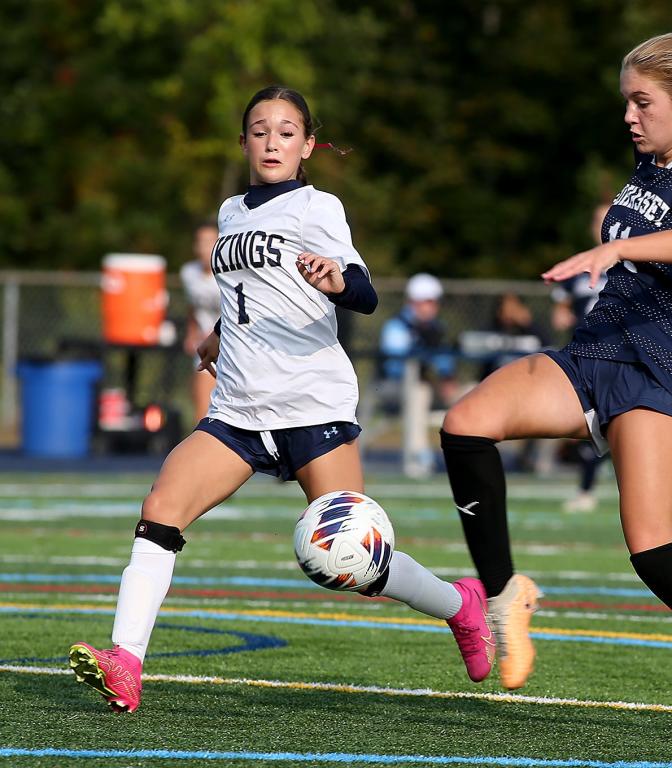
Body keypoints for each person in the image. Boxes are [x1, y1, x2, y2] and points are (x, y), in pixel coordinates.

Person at [68, 86, 494, 714]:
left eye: (287, 132)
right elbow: (247, 294)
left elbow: (367, 293)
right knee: (160, 511)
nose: (272, 142)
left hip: (311, 407)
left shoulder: (317, 206)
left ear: (308, 146)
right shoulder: (230, 210)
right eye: (260, 130)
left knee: (359, 563)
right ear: (243, 142)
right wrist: (218, 338)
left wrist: (338, 279)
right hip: (238, 409)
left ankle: (461, 605)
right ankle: (126, 660)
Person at [440, 33, 672, 739]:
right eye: (625, 101)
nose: (629, 115)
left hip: (663, 369)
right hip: (598, 350)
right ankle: (506, 595)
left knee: (653, 551)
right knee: (465, 422)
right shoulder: (649, 162)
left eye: (643, 101)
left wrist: (616, 246)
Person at [552, 204, 610, 512]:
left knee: (612, 428)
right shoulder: (580, 265)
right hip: (583, 357)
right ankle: (586, 490)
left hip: (622, 359)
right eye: (598, 219)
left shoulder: (635, 262)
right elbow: (560, 312)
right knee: (595, 428)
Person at [379, 272, 459, 408]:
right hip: (394, 385)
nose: (433, 308)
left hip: (427, 384)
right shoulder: (396, 327)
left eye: (434, 303)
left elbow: (444, 362)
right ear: (413, 302)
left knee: (468, 392)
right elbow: (395, 367)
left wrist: (447, 378)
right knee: (419, 392)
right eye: (428, 302)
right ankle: (414, 430)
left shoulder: (436, 327)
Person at [180, 220, 222, 424]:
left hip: (232, 344)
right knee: (203, 410)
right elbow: (192, 308)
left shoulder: (228, 272)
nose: (206, 248)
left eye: (210, 241)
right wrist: (191, 333)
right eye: (202, 242)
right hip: (206, 347)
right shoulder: (189, 273)